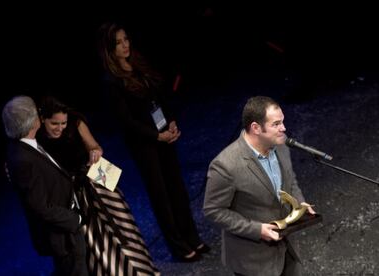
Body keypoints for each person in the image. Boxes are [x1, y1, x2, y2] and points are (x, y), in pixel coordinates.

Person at [97, 22, 209, 262]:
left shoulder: (137, 64)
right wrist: (156, 135)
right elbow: (125, 121)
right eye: (118, 42)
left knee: (176, 187)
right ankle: (179, 246)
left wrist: (171, 122)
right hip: (144, 143)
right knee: (161, 195)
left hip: (162, 132)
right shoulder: (111, 81)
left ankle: (192, 237)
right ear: (109, 48)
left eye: (126, 39)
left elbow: (159, 96)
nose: (125, 45)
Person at [36, 95, 160, 275]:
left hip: (97, 179)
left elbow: (95, 146)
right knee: (93, 241)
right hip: (70, 193)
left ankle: (141, 270)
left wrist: (95, 153)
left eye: (63, 123)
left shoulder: (76, 122)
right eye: (55, 124)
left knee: (123, 227)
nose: (60, 128)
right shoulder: (38, 138)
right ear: (42, 119)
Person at [203, 96, 316, 276]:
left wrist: (299, 204)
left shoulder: (280, 145)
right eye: (276, 124)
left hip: (288, 250)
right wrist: (257, 230)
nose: (284, 128)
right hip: (254, 262)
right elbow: (213, 210)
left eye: (283, 122)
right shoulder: (226, 165)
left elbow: (290, 180)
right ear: (256, 127)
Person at [2, 95, 88, 276]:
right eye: (36, 112)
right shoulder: (22, 159)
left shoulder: (25, 146)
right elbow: (41, 208)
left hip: (66, 228)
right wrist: (75, 220)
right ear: (33, 121)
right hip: (64, 235)